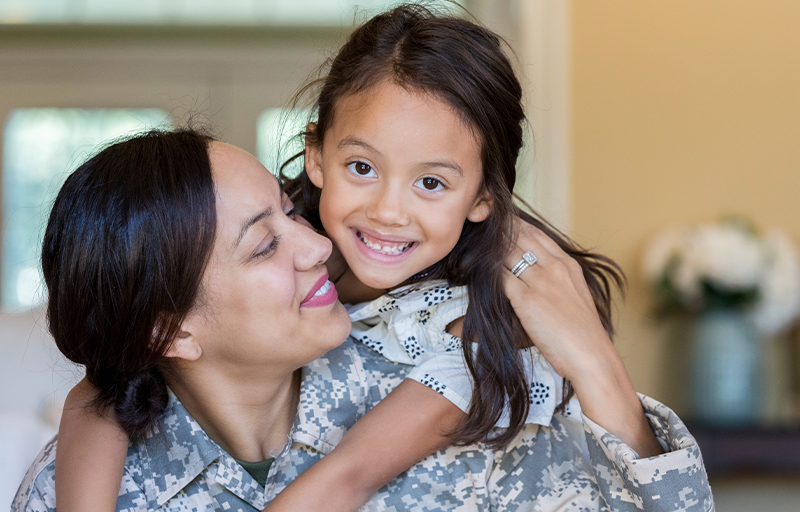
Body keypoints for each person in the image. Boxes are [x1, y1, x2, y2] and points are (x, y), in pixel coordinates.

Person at [20, 5, 714, 512]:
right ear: (316, 157)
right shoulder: (94, 464)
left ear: (482, 197)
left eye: (433, 183)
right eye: (266, 241)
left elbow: (352, 473)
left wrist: (593, 360)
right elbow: (103, 392)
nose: (320, 245)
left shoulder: (479, 357)